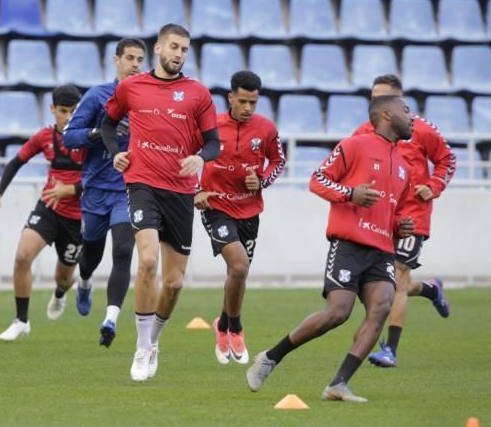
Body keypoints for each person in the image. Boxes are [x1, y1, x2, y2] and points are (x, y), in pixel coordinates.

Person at [246, 95, 415, 402]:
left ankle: (338, 384)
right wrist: (351, 193)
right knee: (338, 312)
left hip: (381, 250)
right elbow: (318, 180)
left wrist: (400, 225)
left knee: (381, 307)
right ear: (387, 114)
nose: (413, 117)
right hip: (349, 244)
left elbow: (397, 211)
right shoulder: (354, 145)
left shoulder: (405, 166)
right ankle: (271, 357)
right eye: (407, 110)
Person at [101, 23, 220, 382]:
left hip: (180, 192)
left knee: (174, 283)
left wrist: (201, 158)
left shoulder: (198, 93)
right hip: (142, 184)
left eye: (184, 49)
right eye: (173, 47)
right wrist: (115, 154)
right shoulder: (131, 87)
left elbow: (213, 143)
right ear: (158, 48)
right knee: (147, 261)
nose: (178, 54)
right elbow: (108, 126)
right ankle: (139, 348)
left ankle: (154, 341)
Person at [353, 75, 455, 368]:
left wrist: (433, 186)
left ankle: (390, 350)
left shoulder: (421, 129)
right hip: (380, 217)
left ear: (399, 102)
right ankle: (432, 289)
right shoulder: (364, 131)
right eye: (373, 98)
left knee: (397, 279)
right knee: (388, 282)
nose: (376, 104)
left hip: (412, 217)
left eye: (382, 98)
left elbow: (448, 160)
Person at [194, 70, 285, 365]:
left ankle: (222, 322)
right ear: (231, 97)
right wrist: (195, 192)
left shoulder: (266, 129)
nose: (247, 109)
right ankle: (235, 326)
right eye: (243, 101)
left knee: (239, 273)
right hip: (216, 206)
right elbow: (182, 156)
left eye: (253, 103)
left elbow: (279, 160)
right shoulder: (210, 126)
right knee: (238, 264)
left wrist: (262, 181)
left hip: (249, 209)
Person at [0, 85, 85, 341]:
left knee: (63, 278)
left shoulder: (89, 140)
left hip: (79, 218)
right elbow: (16, 162)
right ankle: (21, 320)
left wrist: (70, 190)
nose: (68, 117)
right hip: (49, 209)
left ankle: (61, 293)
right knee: (22, 256)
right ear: (52, 110)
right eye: (63, 111)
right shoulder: (44, 137)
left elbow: (102, 178)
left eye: (73, 111)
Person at [62, 38, 145, 347]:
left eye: (140, 59)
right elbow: (70, 138)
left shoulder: (147, 99)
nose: (136, 64)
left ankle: (110, 319)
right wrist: (100, 133)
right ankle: (83, 282)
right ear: (116, 60)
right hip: (96, 189)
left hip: (129, 188)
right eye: (130, 58)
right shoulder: (97, 97)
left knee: (123, 250)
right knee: (91, 255)